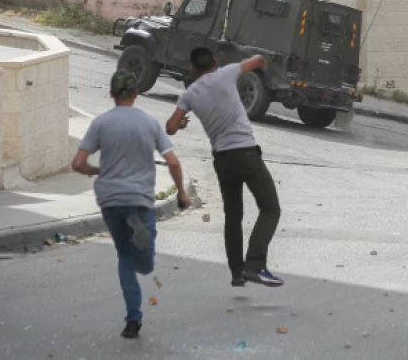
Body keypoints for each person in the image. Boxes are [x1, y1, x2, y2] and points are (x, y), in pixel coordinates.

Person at [72, 70, 192, 339]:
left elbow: (77, 163)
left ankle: (133, 320)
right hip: (139, 200)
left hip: (109, 199)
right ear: (136, 93)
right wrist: (182, 194)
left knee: (124, 255)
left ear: (112, 94)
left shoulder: (100, 123)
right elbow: (173, 162)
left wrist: (95, 172)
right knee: (145, 263)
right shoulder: (149, 123)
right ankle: (141, 237)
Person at [166, 48, 283, 288]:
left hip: (222, 159)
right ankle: (256, 264)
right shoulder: (227, 73)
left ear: (193, 68)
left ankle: (237, 273)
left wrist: (181, 123)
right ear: (215, 63)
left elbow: (170, 127)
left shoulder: (189, 94)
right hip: (246, 153)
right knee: (270, 208)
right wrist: (263, 62)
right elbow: (257, 61)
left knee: (233, 215)